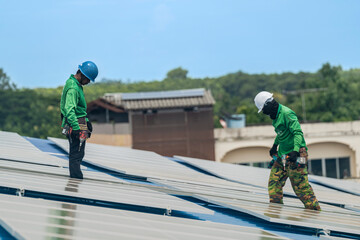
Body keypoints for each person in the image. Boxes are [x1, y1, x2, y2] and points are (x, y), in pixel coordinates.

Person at [254, 91, 321, 210]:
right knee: (274, 185)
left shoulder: (287, 113)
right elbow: (281, 133)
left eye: (264, 109)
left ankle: (315, 214)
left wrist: (295, 150)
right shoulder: (275, 116)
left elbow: (298, 133)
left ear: (268, 104)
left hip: (296, 154)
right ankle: (276, 215)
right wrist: (275, 146)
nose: (264, 113)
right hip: (283, 156)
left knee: (301, 188)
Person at [60, 61, 98, 179]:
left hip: (79, 121)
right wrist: (76, 128)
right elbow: (69, 109)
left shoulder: (75, 84)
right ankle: (76, 179)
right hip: (75, 123)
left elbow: (78, 109)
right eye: (88, 80)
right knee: (76, 154)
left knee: (79, 153)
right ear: (82, 75)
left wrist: (86, 123)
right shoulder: (73, 88)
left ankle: (76, 177)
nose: (88, 83)